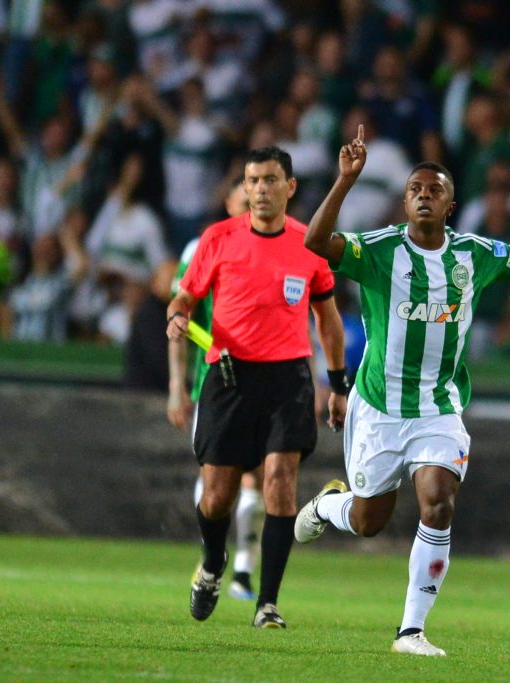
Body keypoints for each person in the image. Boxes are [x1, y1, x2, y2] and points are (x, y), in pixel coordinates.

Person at [295, 125, 510, 656]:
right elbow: (315, 242)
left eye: (435, 189)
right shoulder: (378, 250)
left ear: (452, 205)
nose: (424, 195)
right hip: (378, 407)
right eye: (415, 189)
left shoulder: (473, 255)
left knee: (438, 505)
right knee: (368, 522)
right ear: (404, 201)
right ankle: (328, 508)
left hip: (438, 409)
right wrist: (345, 181)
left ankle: (410, 630)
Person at [165, 146, 348, 629]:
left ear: (289, 187)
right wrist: (179, 315)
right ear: (243, 188)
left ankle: (267, 602)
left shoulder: (309, 242)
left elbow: (327, 319)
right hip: (228, 376)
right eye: (253, 181)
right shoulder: (218, 238)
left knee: (280, 483)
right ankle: (212, 562)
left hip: (287, 377)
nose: (260, 189)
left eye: (270, 180)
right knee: (217, 496)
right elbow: (186, 294)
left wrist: (337, 384)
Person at [167, 180, 266, 601]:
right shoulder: (202, 248)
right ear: (227, 204)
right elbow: (178, 317)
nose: (251, 208)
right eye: (243, 201)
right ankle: (214, 552)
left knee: (260, 476)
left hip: (266, 381)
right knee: (216, 480)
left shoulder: (277, 248)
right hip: (214, 382)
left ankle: (244, 569)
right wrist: (177, 385)